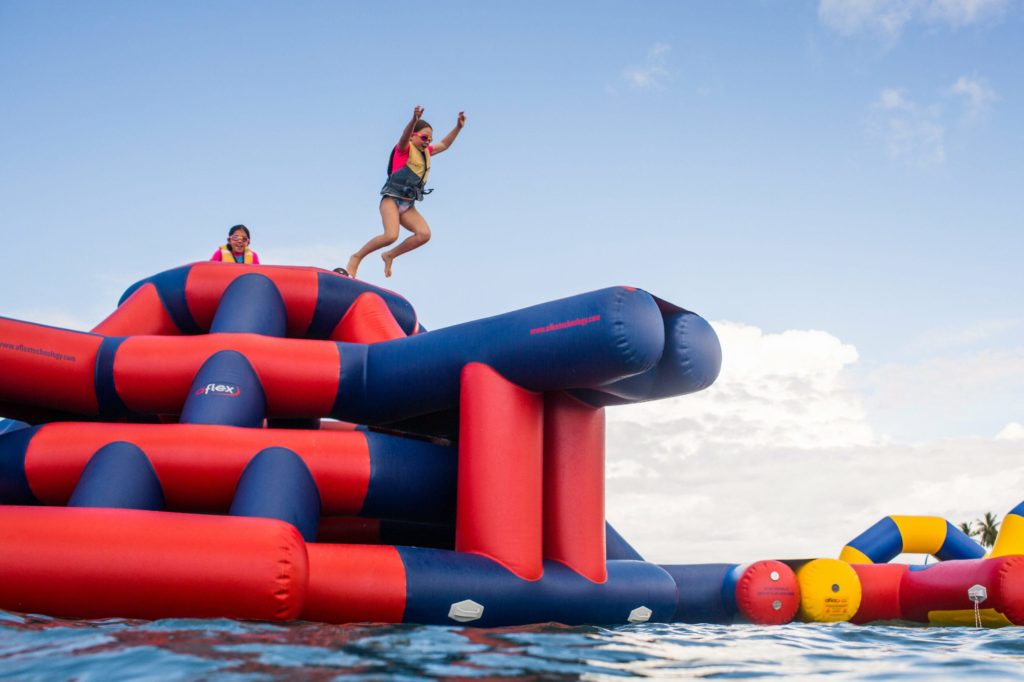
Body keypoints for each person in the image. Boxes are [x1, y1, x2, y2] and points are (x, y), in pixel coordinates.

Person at [345, 105, 465, 278]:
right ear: (413, 135)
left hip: (408, 205)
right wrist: (414, 120)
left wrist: (458, 127)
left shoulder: (427, 152)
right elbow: (404, 136)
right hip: (392, 200)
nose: (427, 142)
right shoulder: (404, 149)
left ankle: (389, 255)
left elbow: (445, 144)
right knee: (391, 235)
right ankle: (356, 258)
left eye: (430, 139)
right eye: (424, 137)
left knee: (424, 234)